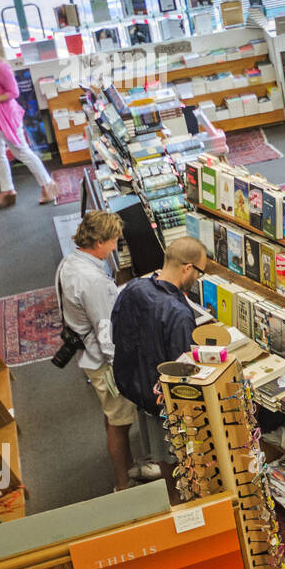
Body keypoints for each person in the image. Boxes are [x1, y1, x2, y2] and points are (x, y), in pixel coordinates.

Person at [56, 210, 161, 492]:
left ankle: (127, 470)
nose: (115, 247)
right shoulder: (92, 281)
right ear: (100, 241)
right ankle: (124, 484)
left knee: (113, 417)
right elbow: (107, 332)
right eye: (114, 241)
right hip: (106, 363)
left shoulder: (71, 262)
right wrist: (124, 370)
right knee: (119, 423)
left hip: (88, 355)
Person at [111, 236, 207, 498]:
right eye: (199, 272)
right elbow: (184, 371)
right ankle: (182, 504)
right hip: (165, 402)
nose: (198, 279)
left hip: (137, 387)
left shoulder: (134, 288)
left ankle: (172, 493)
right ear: (187, 268)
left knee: (161, 452)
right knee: (177, 459)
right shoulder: (178, 313)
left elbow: (116, 331)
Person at [0, 26, 56, 209]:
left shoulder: (0, 66)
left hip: (6, 115)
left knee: (20, 151)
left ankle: (48, 185)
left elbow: (13, 92)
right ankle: (7, 192)